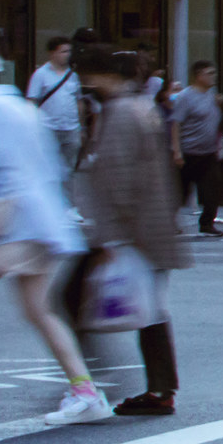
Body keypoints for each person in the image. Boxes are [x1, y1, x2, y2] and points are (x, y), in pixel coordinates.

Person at [0, 54, 109, 426]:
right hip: (41, 223)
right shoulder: (25, 109)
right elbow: (53, 166)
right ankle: (85, 391)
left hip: (8, 225)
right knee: (39, 309)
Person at [71, 51, 190, 414]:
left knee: (66, 302)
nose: (85, 84)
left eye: (90, 75)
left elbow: (119, 178)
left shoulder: (121, 112)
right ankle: (159, 389)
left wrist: (112, 238)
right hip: (148, 227)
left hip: (129, 231)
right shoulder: (141, 107)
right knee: (151, 309)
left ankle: (84, 379)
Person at [170, 62, 223, 237]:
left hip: (208, 152)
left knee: (211, 189)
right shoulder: (185, 97)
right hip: (189, 151)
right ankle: (169, 222)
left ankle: (207, 223)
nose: (213, 77)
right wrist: (176, 151)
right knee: (181, 191)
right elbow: (176, 123)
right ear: (199, 75)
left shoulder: (212, 96)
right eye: (209, 73)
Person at [25, 36, 85, 169]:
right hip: (49, 128)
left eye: (69, 51)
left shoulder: (73, 76)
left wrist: (81, 127)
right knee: (48, 168)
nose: (67, 55)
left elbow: (78, 101)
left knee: (68, 169)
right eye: (63, 52)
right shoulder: (40, 74)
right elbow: (31, 101)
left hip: (71, 128)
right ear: (52, 53)